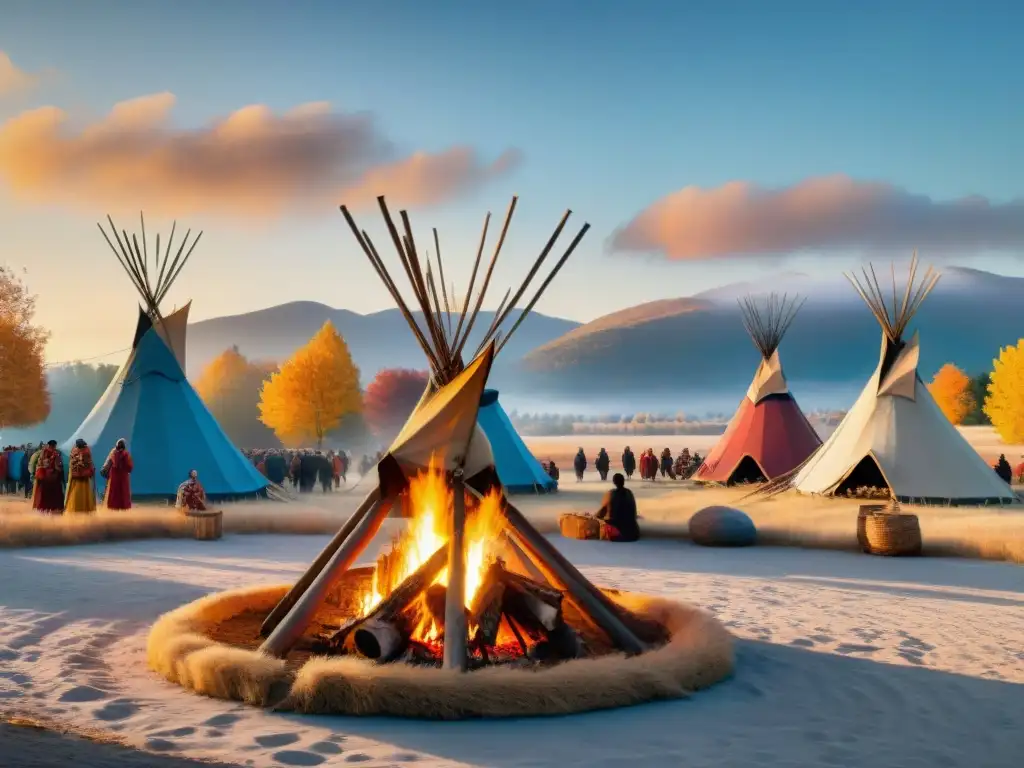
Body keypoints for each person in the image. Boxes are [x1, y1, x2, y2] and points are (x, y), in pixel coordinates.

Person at [595, 473, 640, 542]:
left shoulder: (611, 494)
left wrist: (594, 517)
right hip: (633, 532)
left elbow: (600, 513)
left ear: (614, 482)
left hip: (618, 533)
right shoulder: (629, 493)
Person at [32, 440, 65, 513]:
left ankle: (43, 508)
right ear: (54, 445)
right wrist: (60, 470)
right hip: (53, 477)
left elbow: (40, 463)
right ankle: (53, 508)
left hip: (44, 476)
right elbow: (57, 467)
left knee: (44, 493)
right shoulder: (56, 454)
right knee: (54, 493)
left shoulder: (42, 453)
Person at [64, 439, 97, 513]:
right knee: (84, 493)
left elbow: (72, 462)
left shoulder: (74, 450)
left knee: (75, 492)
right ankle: (84, 509)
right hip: (83, 476)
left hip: (76, 476)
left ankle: (75, 508)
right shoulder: (86, 450)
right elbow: (89, 462)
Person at [102, 438, 134, 510]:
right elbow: (130, 467)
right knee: (123, 491)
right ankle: (123, 506)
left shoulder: (113, 453)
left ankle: (113, 506)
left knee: (114, 491)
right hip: (123, 475)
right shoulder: (126, 454)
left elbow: (109, 463)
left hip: (114, 475)